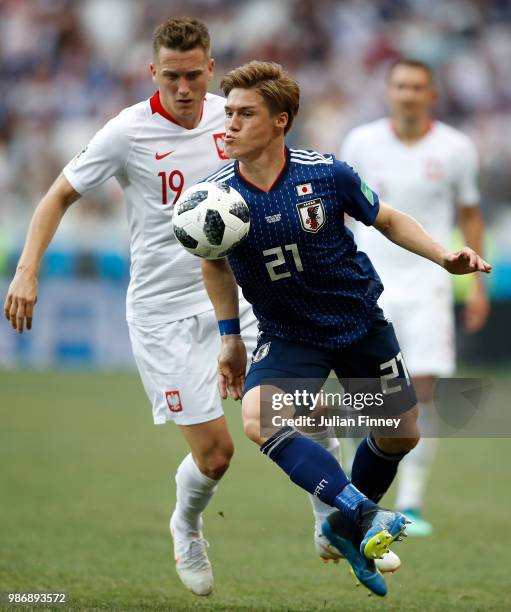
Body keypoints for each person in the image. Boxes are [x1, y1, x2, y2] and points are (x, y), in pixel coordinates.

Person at [199, 61, 491, 597]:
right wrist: (229, 335)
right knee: (259, 417)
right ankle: (359, 509)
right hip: (289, 333)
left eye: (245, 114)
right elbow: (213, 262)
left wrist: (443, 256)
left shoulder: (327, 173)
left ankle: (342, 527)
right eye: (228, 113)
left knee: (401, 432)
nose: (230, 124)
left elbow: (388, 218)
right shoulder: (215, 197)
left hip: (358, 323)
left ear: (280, 120)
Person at [2, 18, 262, 597]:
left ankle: (334, 514)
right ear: (153, 72)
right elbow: (57, 195)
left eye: (194, 75)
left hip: (237, 296)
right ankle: (187, 523)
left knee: (290, 404)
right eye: (171, 76)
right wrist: (26, 271)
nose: (185, 87)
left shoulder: (235, 117)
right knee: (217, 456)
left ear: (211, 69)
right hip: (162, 312)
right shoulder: (128, 132)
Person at [340, 58, 490, 536]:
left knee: (422, 391)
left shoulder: (456, 147)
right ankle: (354, 497)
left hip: (427, 286)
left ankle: (412, 502)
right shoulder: (361, 142)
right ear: (389, 92)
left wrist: (478, 287)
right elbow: (340, 212)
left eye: (417, 87)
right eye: (400, 86)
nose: (408, 94)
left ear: (432, 95)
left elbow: (470, 216)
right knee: (368, 396)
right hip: (368, 285)